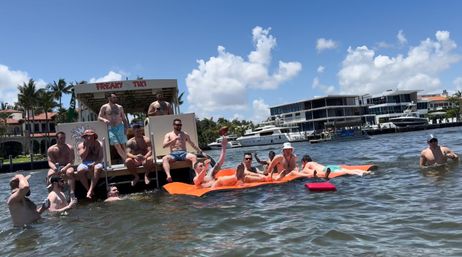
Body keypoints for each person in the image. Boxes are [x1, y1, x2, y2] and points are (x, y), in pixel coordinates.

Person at [162, 118, 203, 182]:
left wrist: (199, 150)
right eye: (177, 125)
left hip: (183, 153)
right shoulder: (168, 135)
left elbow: (192, 144)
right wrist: (173, 140)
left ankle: (197, 175)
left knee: (193, 157)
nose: (179, 126)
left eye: (180, 125)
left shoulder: (185, 134)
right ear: (173, 125)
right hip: (173, 154)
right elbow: (164, 146)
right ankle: (168, 176)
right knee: (165, 158)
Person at [47, 131, 79, 199]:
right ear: (57, 139)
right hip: (56, 166)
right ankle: (51, 194)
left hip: (67, 166)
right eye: (61, 138)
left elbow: (71, 161)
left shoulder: (69, 148)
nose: (63, 139)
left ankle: (72, 193)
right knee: (49, 174)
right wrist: (55, 168)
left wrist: (65, 168)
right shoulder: (51, 149)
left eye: (64, 138)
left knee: (70, 172)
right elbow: (50, 162)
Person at [98, 93, 129, 160]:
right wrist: (104, 119)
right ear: (109, 98)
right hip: (111, 128)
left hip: (120, 126)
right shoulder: (104, 107)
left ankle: (126, 162)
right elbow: (99, 117)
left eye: (116, 97)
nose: (116, 99)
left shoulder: (120, 107)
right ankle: (127, 160)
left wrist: (126, 127)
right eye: (114, 97)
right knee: (117, 145)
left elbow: (123, 118)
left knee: (123, 145)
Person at [77, 129, 104, 199]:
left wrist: (94, 163)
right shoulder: (81, 145)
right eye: (87, 136)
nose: (89, 138)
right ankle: (88, 189)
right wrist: (87, 147)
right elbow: (82, 157)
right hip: (85, 162)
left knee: (98, 168)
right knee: (80, 171)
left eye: (91, 136)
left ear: (94, 136)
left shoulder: (99, 144)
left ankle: (90, 190)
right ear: (84, 137)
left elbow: (100, 158)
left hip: (97, 161)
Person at [299, 154, 371, 178]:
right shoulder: (314, 162)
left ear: (305, 161)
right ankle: (365, 172)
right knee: (347, 170)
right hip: (329, 166)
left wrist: (301, 169)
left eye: (302, 163)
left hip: (326, 170)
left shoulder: (307, 164)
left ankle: (361, 174)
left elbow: (308, 171)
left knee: (346, 172)